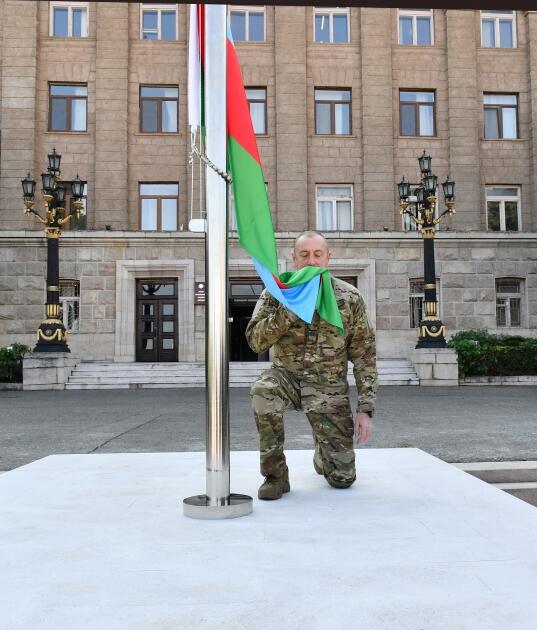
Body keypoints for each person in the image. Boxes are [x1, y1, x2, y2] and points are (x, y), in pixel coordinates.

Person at [246, 230, 378, 500]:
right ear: (294, 259)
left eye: (318, 254)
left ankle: (323, 451)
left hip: (328, 390)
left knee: (342, 479)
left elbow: (364, 355)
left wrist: (366, 408)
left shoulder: (349, 298)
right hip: (287, 380)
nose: (312, 261)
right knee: (262, 390)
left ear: (328, 258)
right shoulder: (276, 293)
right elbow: (255, 342)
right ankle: (276, 476)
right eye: (304, 255)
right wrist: (290, 308)